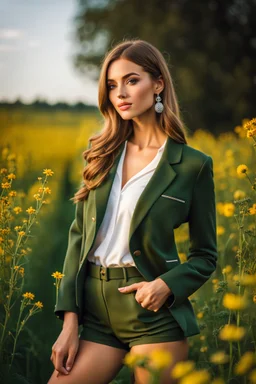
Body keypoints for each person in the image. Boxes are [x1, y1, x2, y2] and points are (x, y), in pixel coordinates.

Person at [48, 39, 217, 384]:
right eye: (112, 85)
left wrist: (167, 285)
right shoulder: (102, 155)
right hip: (96, 316)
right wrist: (70, 322)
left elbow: (205, 255)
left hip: (154, 317)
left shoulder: (193, 166)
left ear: (158, 84)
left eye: (131, 80)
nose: (120, 93)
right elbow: (77, 241)